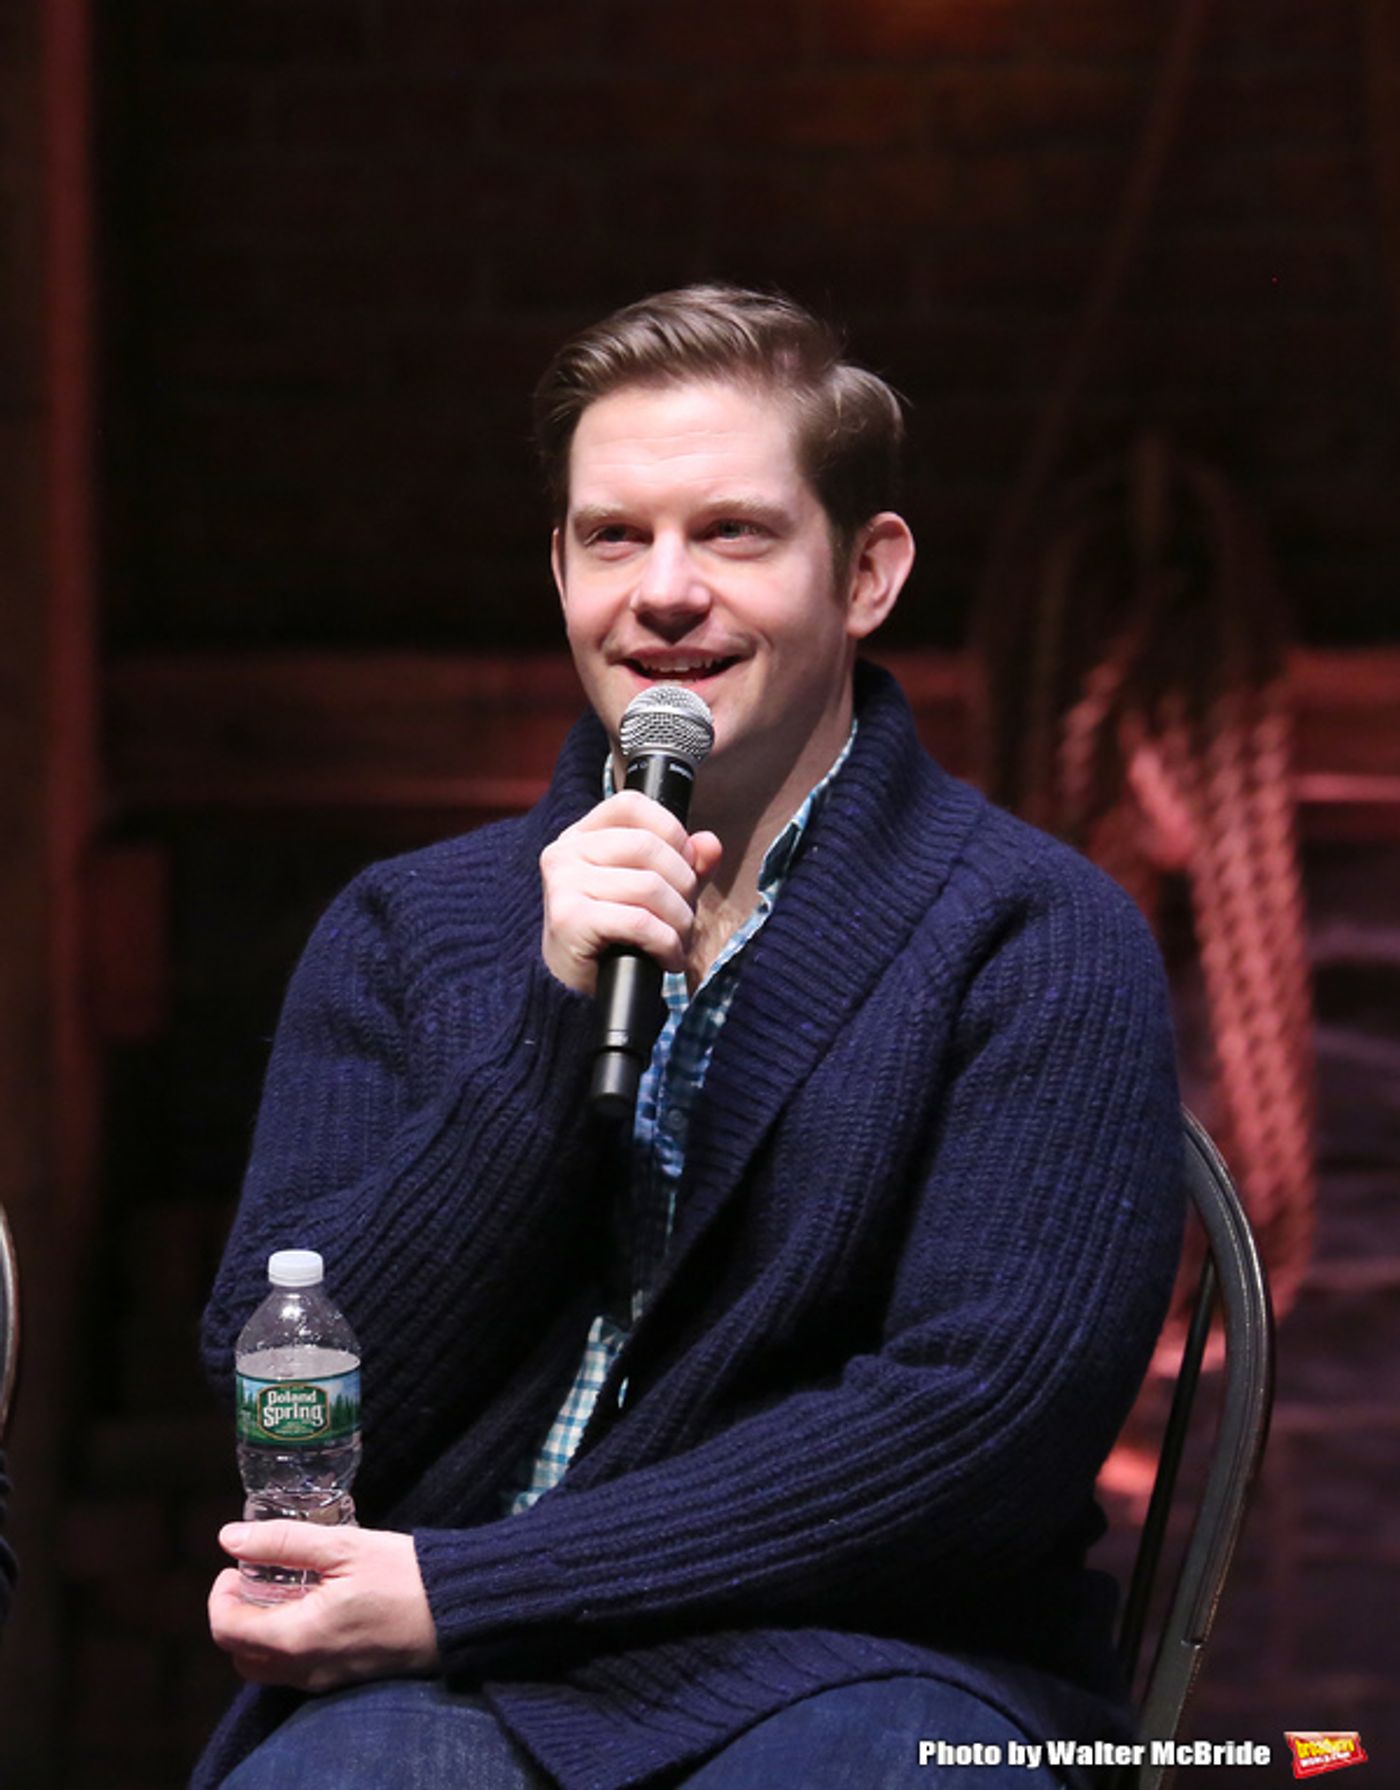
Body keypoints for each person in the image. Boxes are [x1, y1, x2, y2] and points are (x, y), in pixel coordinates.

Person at [195, 285, 1183, 1789]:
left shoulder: (1037, 936)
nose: (663, 593)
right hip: (443, 1683)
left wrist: (475, 1586)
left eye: (732, 533)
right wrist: (543, 1022)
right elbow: (297, 1380)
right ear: (560, 570)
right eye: (612, 537)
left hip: (866, 1661)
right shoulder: (408, 925)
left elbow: (975, 1430)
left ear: (866, 573)